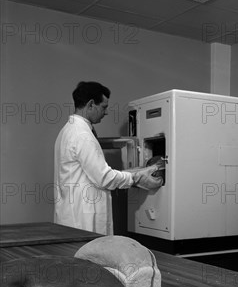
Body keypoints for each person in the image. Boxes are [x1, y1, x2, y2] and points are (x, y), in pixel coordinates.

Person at [54, 81, 162, 235]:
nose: (106, 112)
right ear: (91, 104)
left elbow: (91, 172)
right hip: (83, 220)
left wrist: (132, 172)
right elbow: (104, 178)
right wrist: (136, 177)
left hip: (72, 215)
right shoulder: (82, 135)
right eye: (104, 107)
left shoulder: (68, 130)